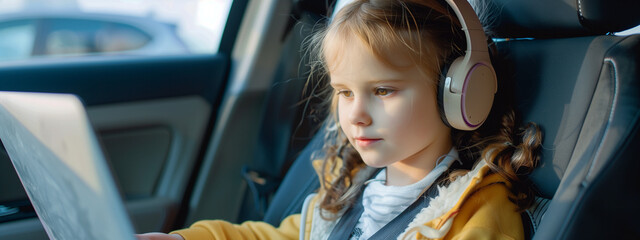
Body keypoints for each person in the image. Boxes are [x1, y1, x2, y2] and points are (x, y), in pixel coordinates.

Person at [137, 0, 541, 239]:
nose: (356, 115)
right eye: (344, 92)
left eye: (383, 91)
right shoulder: (350, 187)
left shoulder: (478, 213)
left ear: (459, 91)